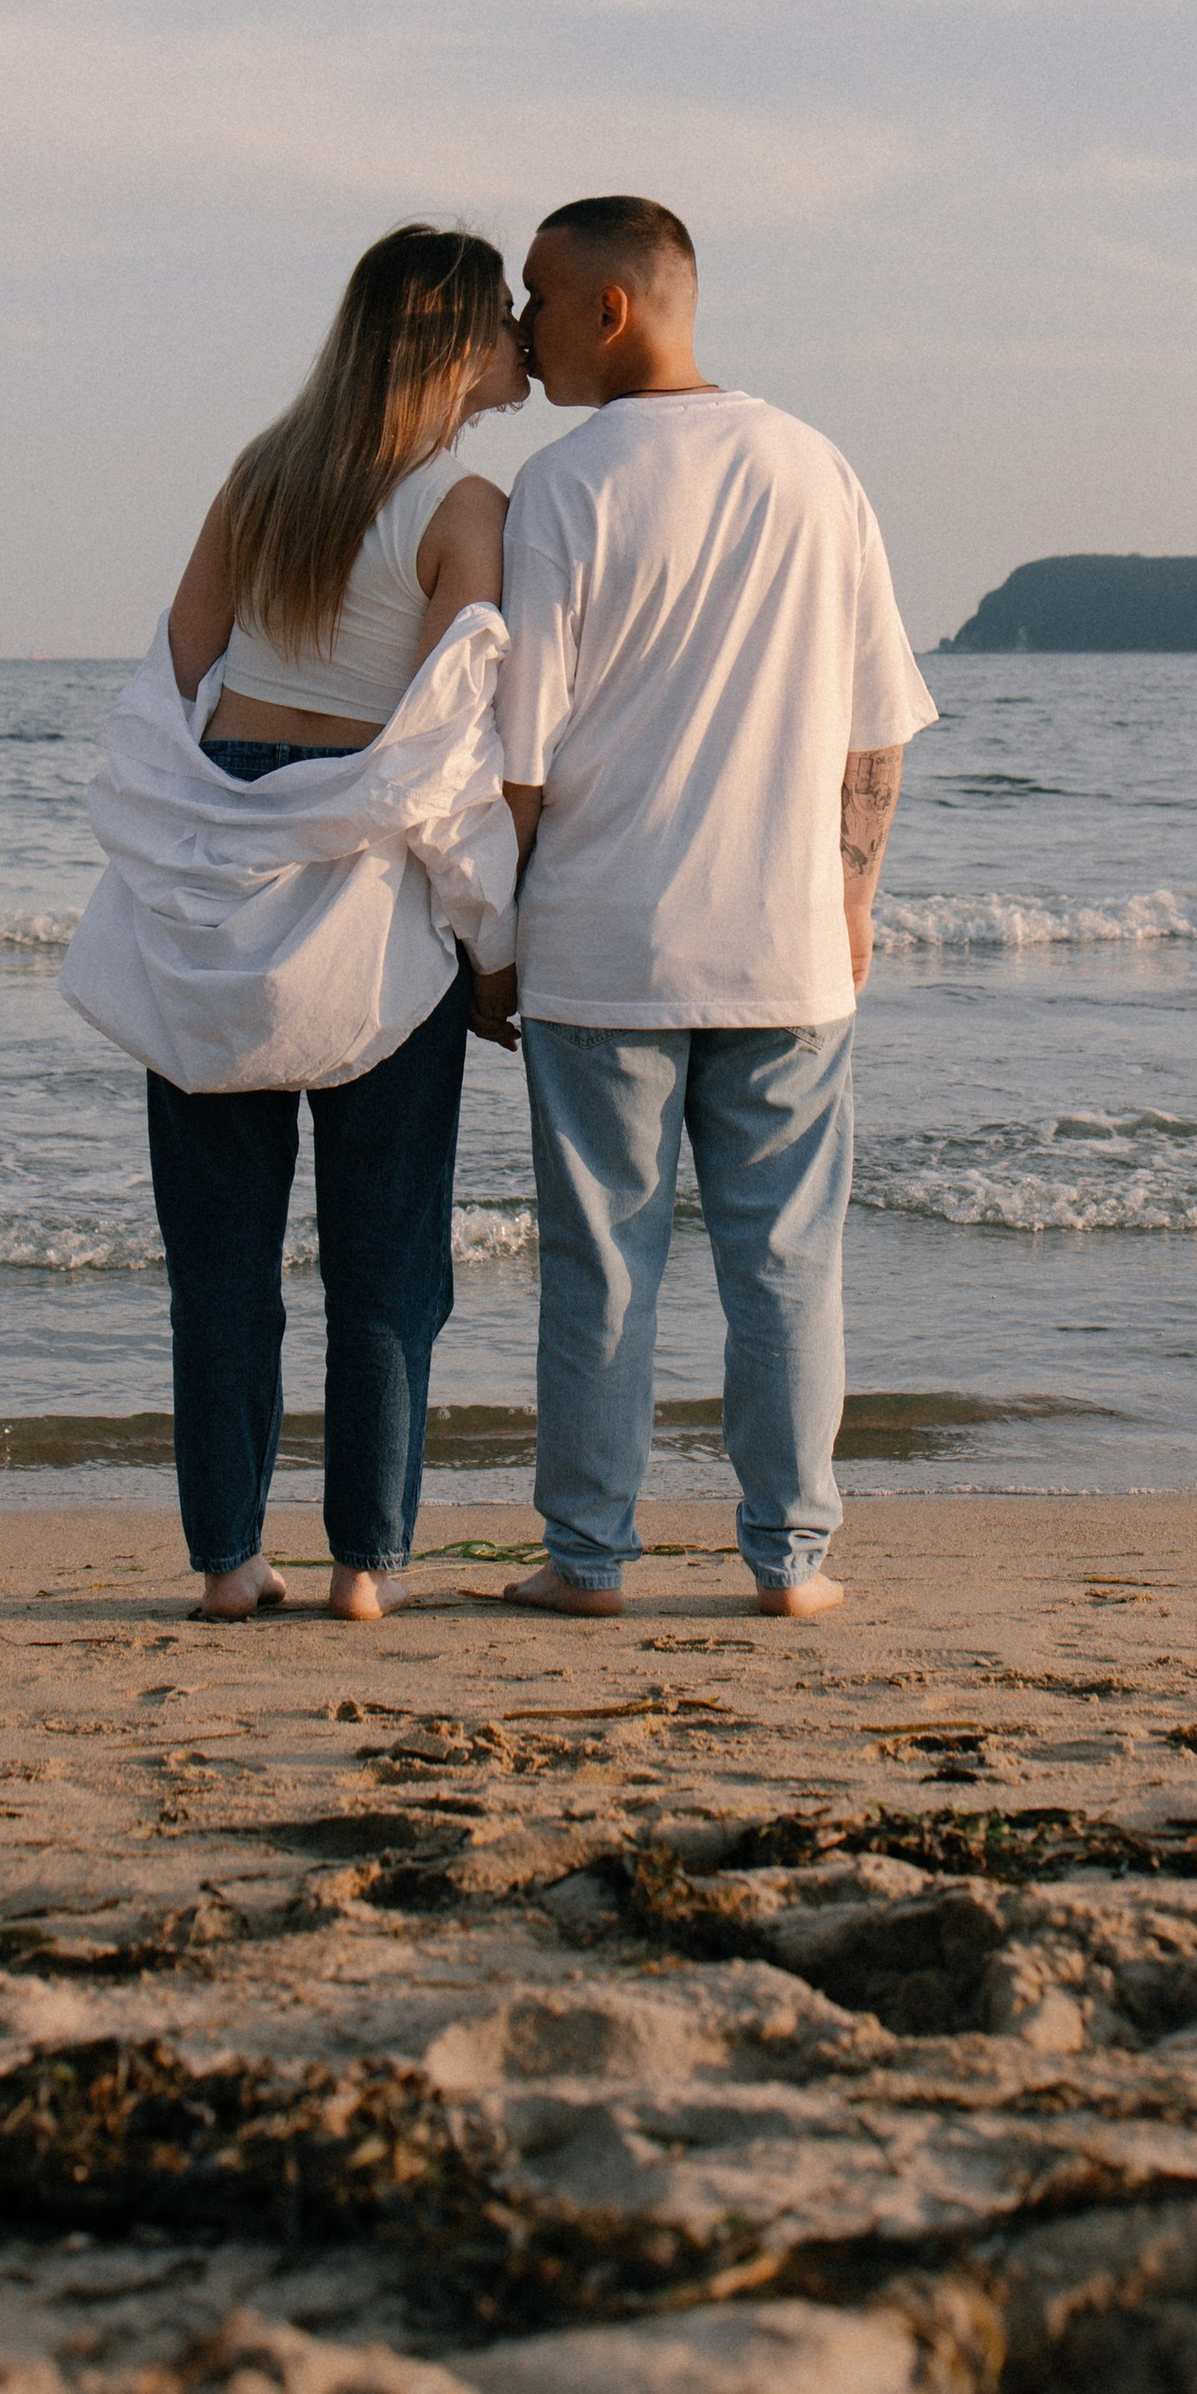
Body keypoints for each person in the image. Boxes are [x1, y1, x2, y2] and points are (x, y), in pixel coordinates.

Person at [475, 195, 936, 1620]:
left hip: (605, 944)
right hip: (786, 944)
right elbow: (876, 729)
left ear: (610, 308)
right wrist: (853, 899)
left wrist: (494, 936)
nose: (521, 329)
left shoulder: (565, 485)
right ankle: (791, 1560)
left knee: (602, 1267)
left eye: (538, 298)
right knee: (786, 1263)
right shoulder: (816, 466)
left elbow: (521, 755)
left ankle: (588, 1560)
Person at [61, 227, 526, 1623]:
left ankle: (225, 1561)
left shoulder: (256, 478)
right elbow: (445, 761)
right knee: (387, 1261)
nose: (522, 336)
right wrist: (494, 947)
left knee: (219, 1268)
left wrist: (206, 837)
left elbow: (174, 684)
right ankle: (365, 1566)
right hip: (366, 897)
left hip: (218, 872)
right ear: (454, 342)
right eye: (501, 316)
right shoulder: (466, 507)